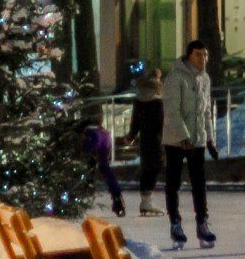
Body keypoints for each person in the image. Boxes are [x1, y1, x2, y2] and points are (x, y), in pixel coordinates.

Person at [162, 40, 219, 247]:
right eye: (197, 54)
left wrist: (210, 139)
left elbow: (206, 112)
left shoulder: (205, 79)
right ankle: (175, 223)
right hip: (176, 139)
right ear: (189, 56)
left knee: (199, 183)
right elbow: (171, 110)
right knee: (173, 181)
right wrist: (183, 135)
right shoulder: (175, 77)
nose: (202, 59)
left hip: (197, 139)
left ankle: (202, 223)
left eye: (205, 55)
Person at [125, 69, 165, 216]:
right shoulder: (158, 102)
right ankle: (147, 202)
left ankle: (145, 200)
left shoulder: (139, 101)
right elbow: (162, 123)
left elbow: (135, 122)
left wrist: (130, 136)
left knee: (146, 168)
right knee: (156, 167)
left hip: (144, 140)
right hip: (156, 139)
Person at [80, 121, 124, 216]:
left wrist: (82, 149)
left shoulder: (87, 133)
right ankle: (117, 196)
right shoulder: (98, 131)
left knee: (90, 163)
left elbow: (87, 149)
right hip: (105, 137)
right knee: (104, 167)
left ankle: (88, 184)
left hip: (94, 137)